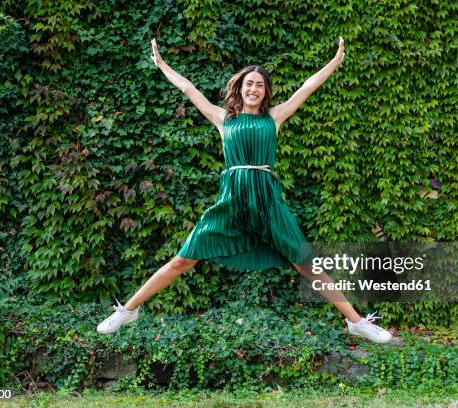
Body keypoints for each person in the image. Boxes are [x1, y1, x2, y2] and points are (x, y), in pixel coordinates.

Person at [97, 37, 392, 344]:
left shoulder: (274, 117)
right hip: (232, 201)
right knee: (183, 259)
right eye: (249, 84)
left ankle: (356, 322)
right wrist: (161, 64)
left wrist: (335, 61)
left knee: (306, 263)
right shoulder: (223, 119)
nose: (253, 89)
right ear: (239, 88)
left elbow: (307, 87)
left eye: (260, 85)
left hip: (267, 201)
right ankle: (128, 310)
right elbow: (188, 89)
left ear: (265, 92)